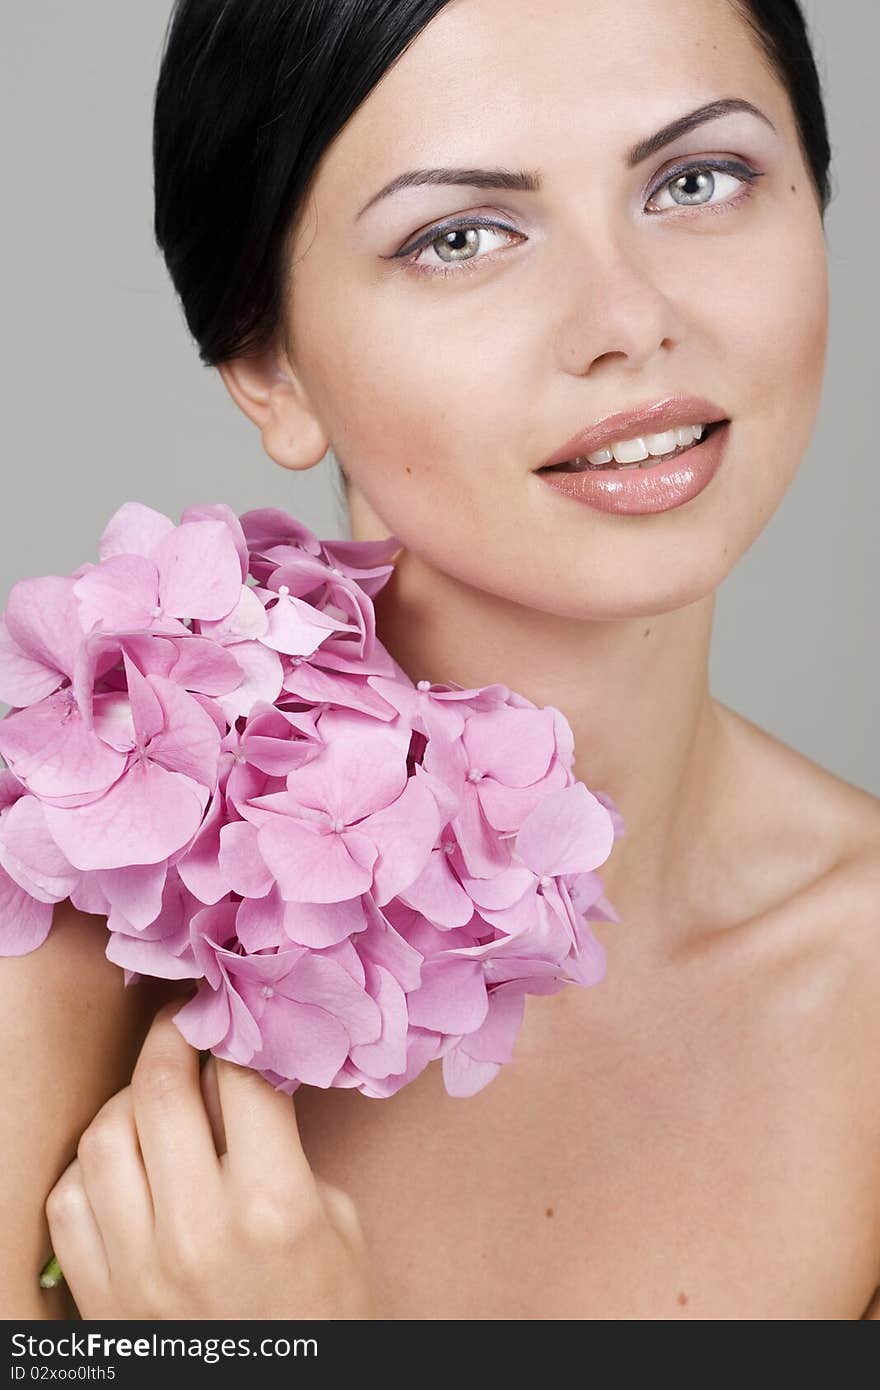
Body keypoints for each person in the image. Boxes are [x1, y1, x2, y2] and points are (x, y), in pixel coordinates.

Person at [3, 0, 878, 1319]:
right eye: (458, 236)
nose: (628, 318)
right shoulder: (62, 916)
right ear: (267, 363)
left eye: (699, 178)